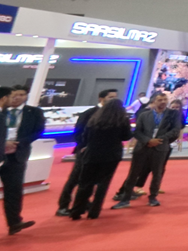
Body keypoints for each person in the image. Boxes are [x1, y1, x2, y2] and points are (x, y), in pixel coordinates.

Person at [111, 92, 181, 209]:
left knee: (157, 173)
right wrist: (148, 140)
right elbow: (137, 131)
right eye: (160, 100)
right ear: (154, 101)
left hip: (160, 147)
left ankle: (153, 197)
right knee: (133, 173)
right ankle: (125, 198)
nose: (163, 102)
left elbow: (175, 130)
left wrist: (160, 140)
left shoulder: (172, 114)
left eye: (165, 99)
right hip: (142, 147)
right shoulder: (144, 115)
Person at [55, 88, 118, 216]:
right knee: (75, 178)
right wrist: (84, 146)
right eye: (111, 97)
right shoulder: (89, 113)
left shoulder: (114, 115)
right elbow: (78, 132)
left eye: (115, 97)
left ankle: (84, 202)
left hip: (102, 153)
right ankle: (63, 205)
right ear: (101, 98)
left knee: (92, 180)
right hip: (86, 151)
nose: (113, 100)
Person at [68, 98, 133, 220]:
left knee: (85, 183)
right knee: (103, 184)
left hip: (92, 153)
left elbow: (85, 136)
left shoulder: (95, 119)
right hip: (111, 155)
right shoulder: (122, 121)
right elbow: (126, 136)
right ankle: (94, 211)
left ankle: (76, 210)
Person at [0, 87, 45, 235]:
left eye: (21, 95)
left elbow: (38, 130)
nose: (16, 98)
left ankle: (14, 222)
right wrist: (3, 143)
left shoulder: (34, 112)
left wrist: (20, 143)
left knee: (14, 190)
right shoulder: (2, 111)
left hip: (17, 155)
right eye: (13, 95)